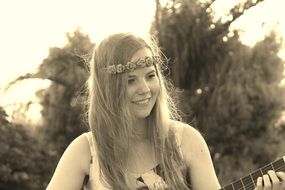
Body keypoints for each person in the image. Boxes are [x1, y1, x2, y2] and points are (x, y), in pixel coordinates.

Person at [46, 33, 285, 190]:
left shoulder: (186, 141)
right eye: (130, 81)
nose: (144, 89)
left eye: (150, 76)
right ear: (109, 89)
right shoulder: (86, 151)